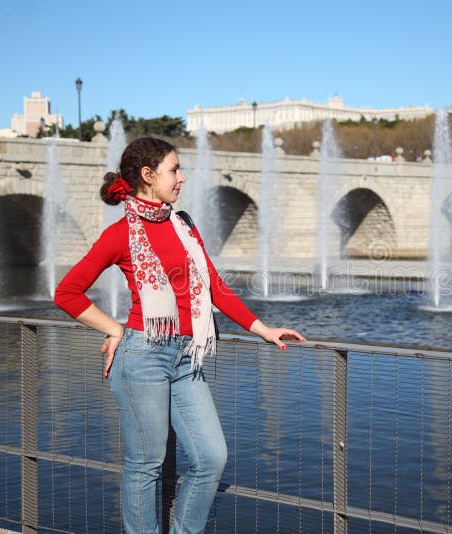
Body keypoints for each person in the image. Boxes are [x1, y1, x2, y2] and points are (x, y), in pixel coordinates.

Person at [54, 137, 305, 534]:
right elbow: (66, 292)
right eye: (174, 170)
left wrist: (263, 329)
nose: (182, 178)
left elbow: (216, 289)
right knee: (146, 465)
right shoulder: (120, 235)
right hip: (142, 358)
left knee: (211, 458)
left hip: (188, 358)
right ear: (148, 176)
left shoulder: (183, 224)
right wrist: (114, 328)